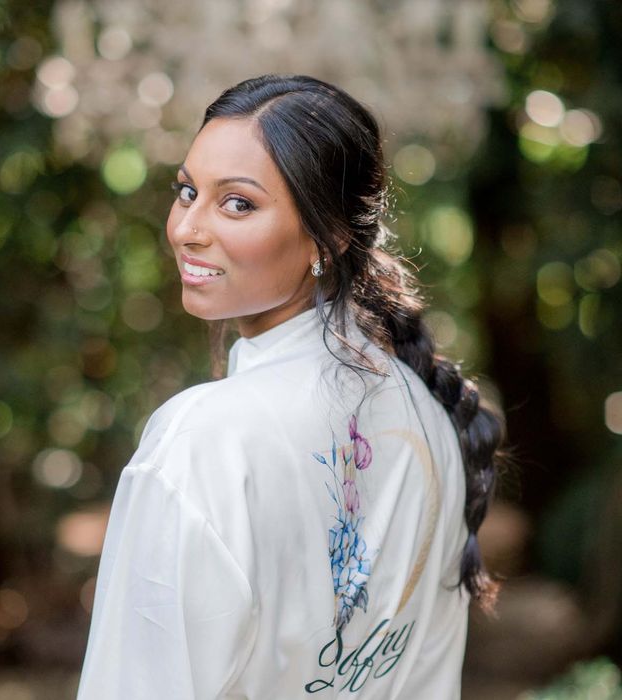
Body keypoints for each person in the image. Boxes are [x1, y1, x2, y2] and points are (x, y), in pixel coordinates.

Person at [76, 74, 504, 699]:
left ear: (328, 237)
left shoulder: (201, 440)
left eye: (237, 203)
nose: (187, 229)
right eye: (187, 191)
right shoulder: (430, 416)